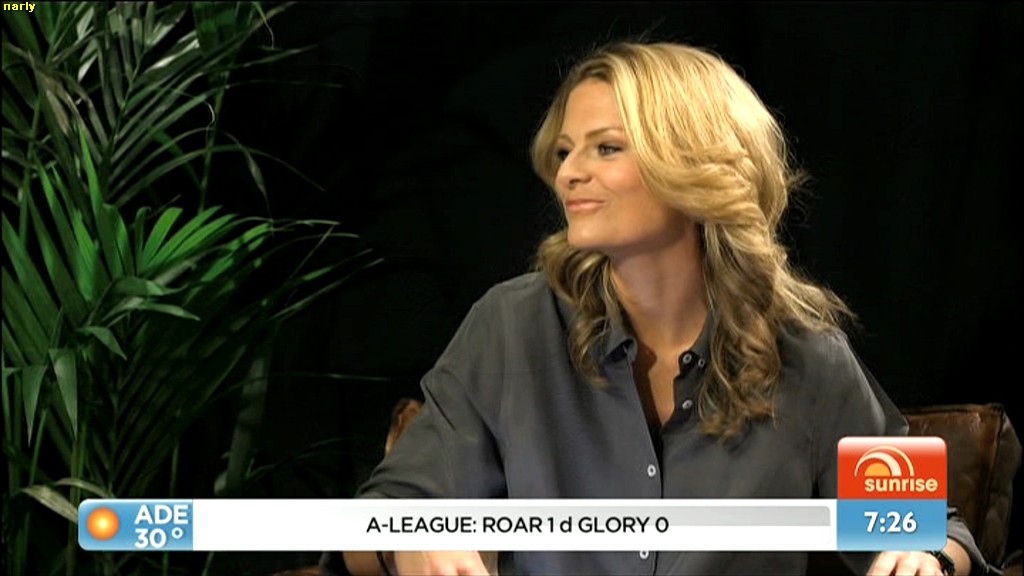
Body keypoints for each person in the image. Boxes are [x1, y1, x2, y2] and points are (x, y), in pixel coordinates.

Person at [326, 41, 990, 575]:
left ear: (692, 164)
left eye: (606, 147)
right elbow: (379, 519)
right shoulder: (509, 328)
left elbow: (932, 530)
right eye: (565, 152)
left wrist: (923, 556)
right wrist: (410, 541)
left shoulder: (805, 355)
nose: (568, 173)